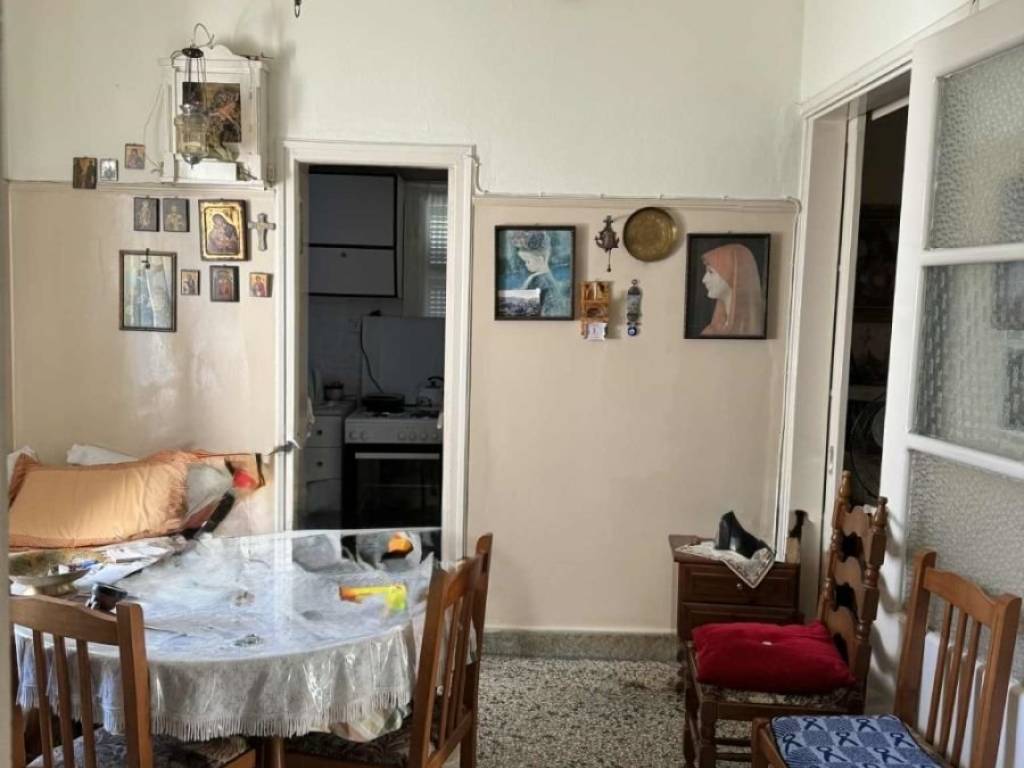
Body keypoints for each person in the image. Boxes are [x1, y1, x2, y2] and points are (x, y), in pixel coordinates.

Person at [700, 243, 765, 337]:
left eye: (711, 272)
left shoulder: (751, 331)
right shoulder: (711, 330)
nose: (704, 279)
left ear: (733, 274)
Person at [510, 230, 570, 318]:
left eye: (528, 261)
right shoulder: (547, 277)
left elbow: (525, 305)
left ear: (540, 259)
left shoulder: (537, 280)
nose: (526, 265)